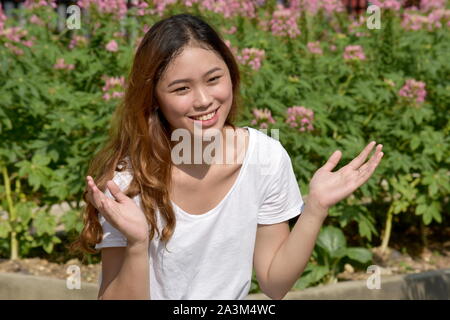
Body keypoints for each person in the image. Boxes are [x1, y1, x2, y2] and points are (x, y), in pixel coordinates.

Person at [70, 13, 384, 300]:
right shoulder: (127, 183)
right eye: (181, 89)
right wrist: (138, 245)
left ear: (231, 75)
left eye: (213, 79)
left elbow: (274, 283)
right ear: (154, 100)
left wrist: (315, 208)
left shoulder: (265, 157)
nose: (204, 100)